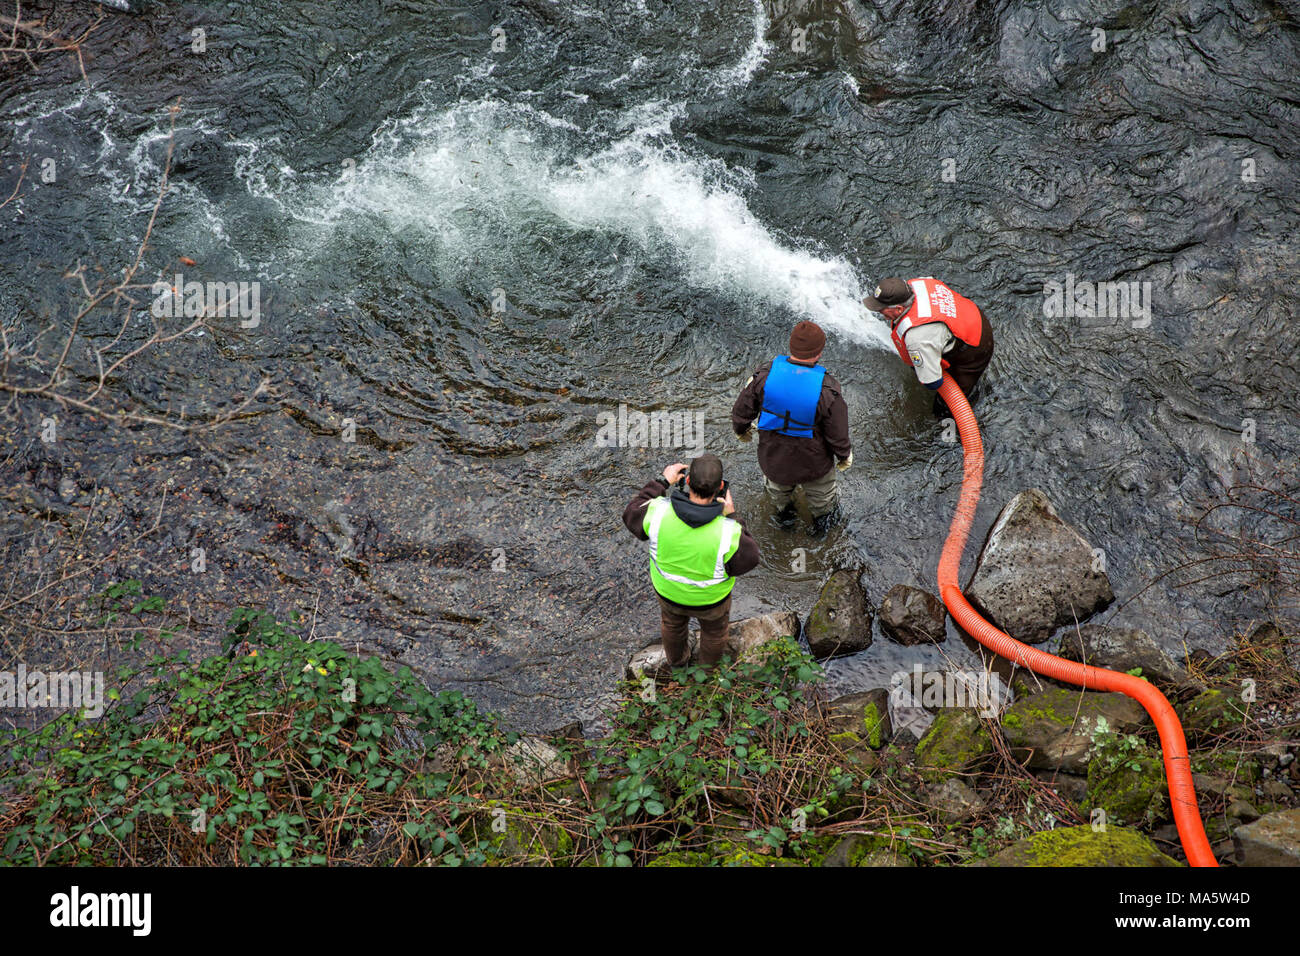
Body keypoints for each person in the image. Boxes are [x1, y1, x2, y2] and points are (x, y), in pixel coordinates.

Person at [622, 453, 760, 669]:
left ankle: (678, 663)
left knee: (672, 626)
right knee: (714, 634)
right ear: (721, 487)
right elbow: (750, 559)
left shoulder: (657, 512)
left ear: (686, 481)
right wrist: (732, 516)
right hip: (711, 601)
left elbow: (631, 513)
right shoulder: (728, 530)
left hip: (669, 593)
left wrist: (662, 481)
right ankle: (706, 671)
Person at [731, 320, 852, 535]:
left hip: (774, 459)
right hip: (814, 464)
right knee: (823, 501)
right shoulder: (827, 390)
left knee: (778, 496)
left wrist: (741, 430)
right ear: (819, 353)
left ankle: (785, 524)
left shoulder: (764, 377)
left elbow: (742, 411)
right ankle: (820, 534)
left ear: (791, 346)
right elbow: (837, 433)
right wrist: (844, 456)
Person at [863, 276, 994, 418]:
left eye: (881, 309)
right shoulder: (916, 284)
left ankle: (950, 427)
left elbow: (933, 382)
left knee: (943, 408)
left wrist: (924, 367)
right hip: (970, 315)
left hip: (976, 347)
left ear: (899, 309)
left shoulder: (917, 338)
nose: (878, 311)